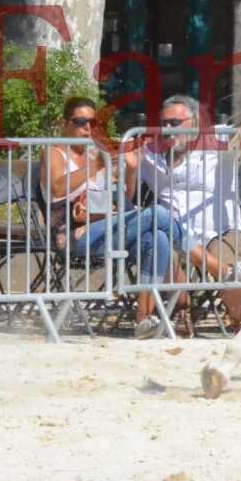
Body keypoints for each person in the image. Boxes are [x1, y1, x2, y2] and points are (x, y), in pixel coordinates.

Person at [45, 97, 187, 338]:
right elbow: (57, 188)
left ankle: (144, 319)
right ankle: (200, 257)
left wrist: (131, 170)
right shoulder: (54, 152)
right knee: (158, 214)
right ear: (65, 124)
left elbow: (123, 199)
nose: (88, 128)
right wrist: (97, 166)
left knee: (158, 238)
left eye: (93, 122)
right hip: (71, 234)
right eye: (81, 122)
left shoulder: (96, 153)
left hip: (105, 227)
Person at [128, 95, 241, 333]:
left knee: (225, 253)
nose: (168, 129)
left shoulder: (219, 138)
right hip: (176, 234)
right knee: (161, 244)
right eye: (165, 123)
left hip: (221, 229)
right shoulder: (150, 156)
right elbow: (124, 188)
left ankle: (240, 321)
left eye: (175, 123)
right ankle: (182, 311)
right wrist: (130, 167)